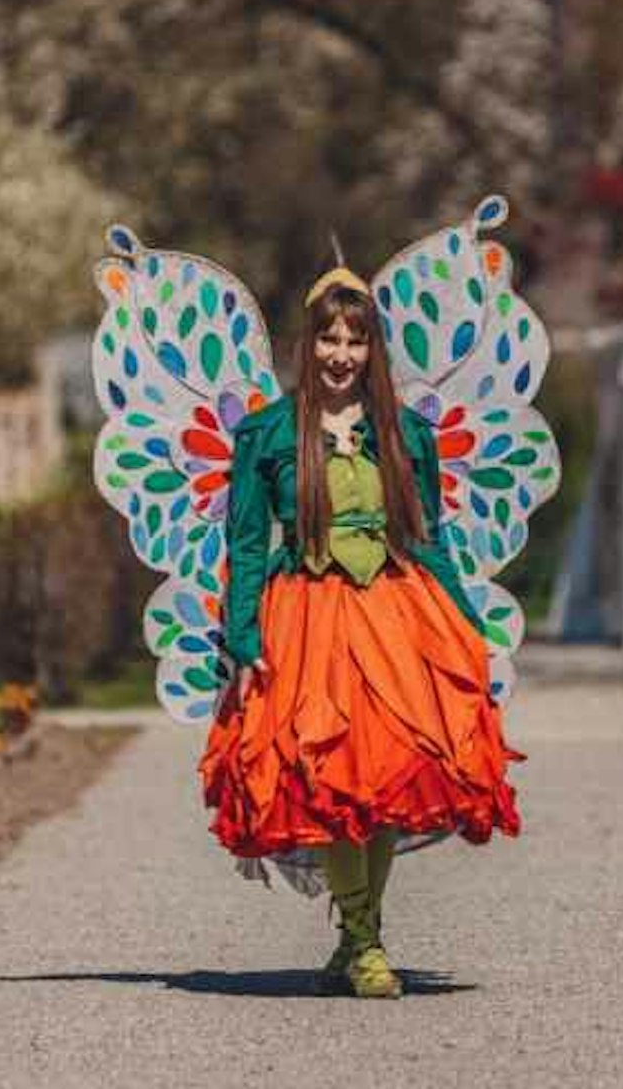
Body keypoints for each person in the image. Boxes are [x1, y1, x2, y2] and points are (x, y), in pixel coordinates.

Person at [198, 265, 524, 999]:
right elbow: (246, 543)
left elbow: (430, 535)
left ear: (374, 349)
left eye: (355, 339)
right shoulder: (266, 432)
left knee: (388, 776)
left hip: (395, 611)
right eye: (327, 338)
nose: (340, 353)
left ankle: (354, 935)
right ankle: (367, 942)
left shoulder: (406, 432)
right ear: (305, 345)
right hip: (307, 618)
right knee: (331, 777)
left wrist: (468, 627)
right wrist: (243, 640)